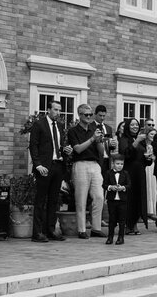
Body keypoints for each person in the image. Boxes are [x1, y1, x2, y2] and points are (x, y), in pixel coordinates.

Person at [29, 100, 67, 243]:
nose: (58, 113)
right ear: (48, 110)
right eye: (56, 110)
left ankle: (50, 230)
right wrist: (38, 165)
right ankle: (37, 233)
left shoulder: (60, 126)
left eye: (59, 110)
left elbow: (59, 145)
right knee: (40, 200)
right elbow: (33, 146)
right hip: (44, 167)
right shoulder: (39, 124)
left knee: (53, 200)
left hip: (58, 165)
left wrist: (65, 150)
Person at [64, 103, 104, 240]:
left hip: (95, 164)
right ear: (79, 115)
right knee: (81, 199)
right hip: (80, 164)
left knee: (99, 197)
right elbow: (78, 149)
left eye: (90, 114)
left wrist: (99, 140)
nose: (88, 117)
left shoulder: (95, 128)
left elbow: (102, 152)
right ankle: (81, 230)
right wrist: (92, 139)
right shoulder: (73, 131)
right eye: (86, 115)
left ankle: (96, 228)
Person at [118, 118, 151, 236]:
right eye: (132, 125)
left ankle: (135, 224)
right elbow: (125, 154)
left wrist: (148, 158)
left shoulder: (142, 140)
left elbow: (145, 159)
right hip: (129, 172)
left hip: (140, 172)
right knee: (129, 198)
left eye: (136, 125)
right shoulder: (124, 139)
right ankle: (128, 225)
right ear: (127, 126)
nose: (135, 127)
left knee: (139, 198)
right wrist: (136, 140)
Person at [103, 154, 131, 245]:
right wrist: (111, 187)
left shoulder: (125, 173)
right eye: (117, 163)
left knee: (122, 220)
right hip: (112, 200)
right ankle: (110, 237)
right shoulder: (108, 173)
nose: (120, 166)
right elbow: (104, 185)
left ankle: (121, 237)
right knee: (112, 219)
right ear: (112, 164)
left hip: (122, 200)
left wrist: (122, 187)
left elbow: (129, 185)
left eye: (121, 164)